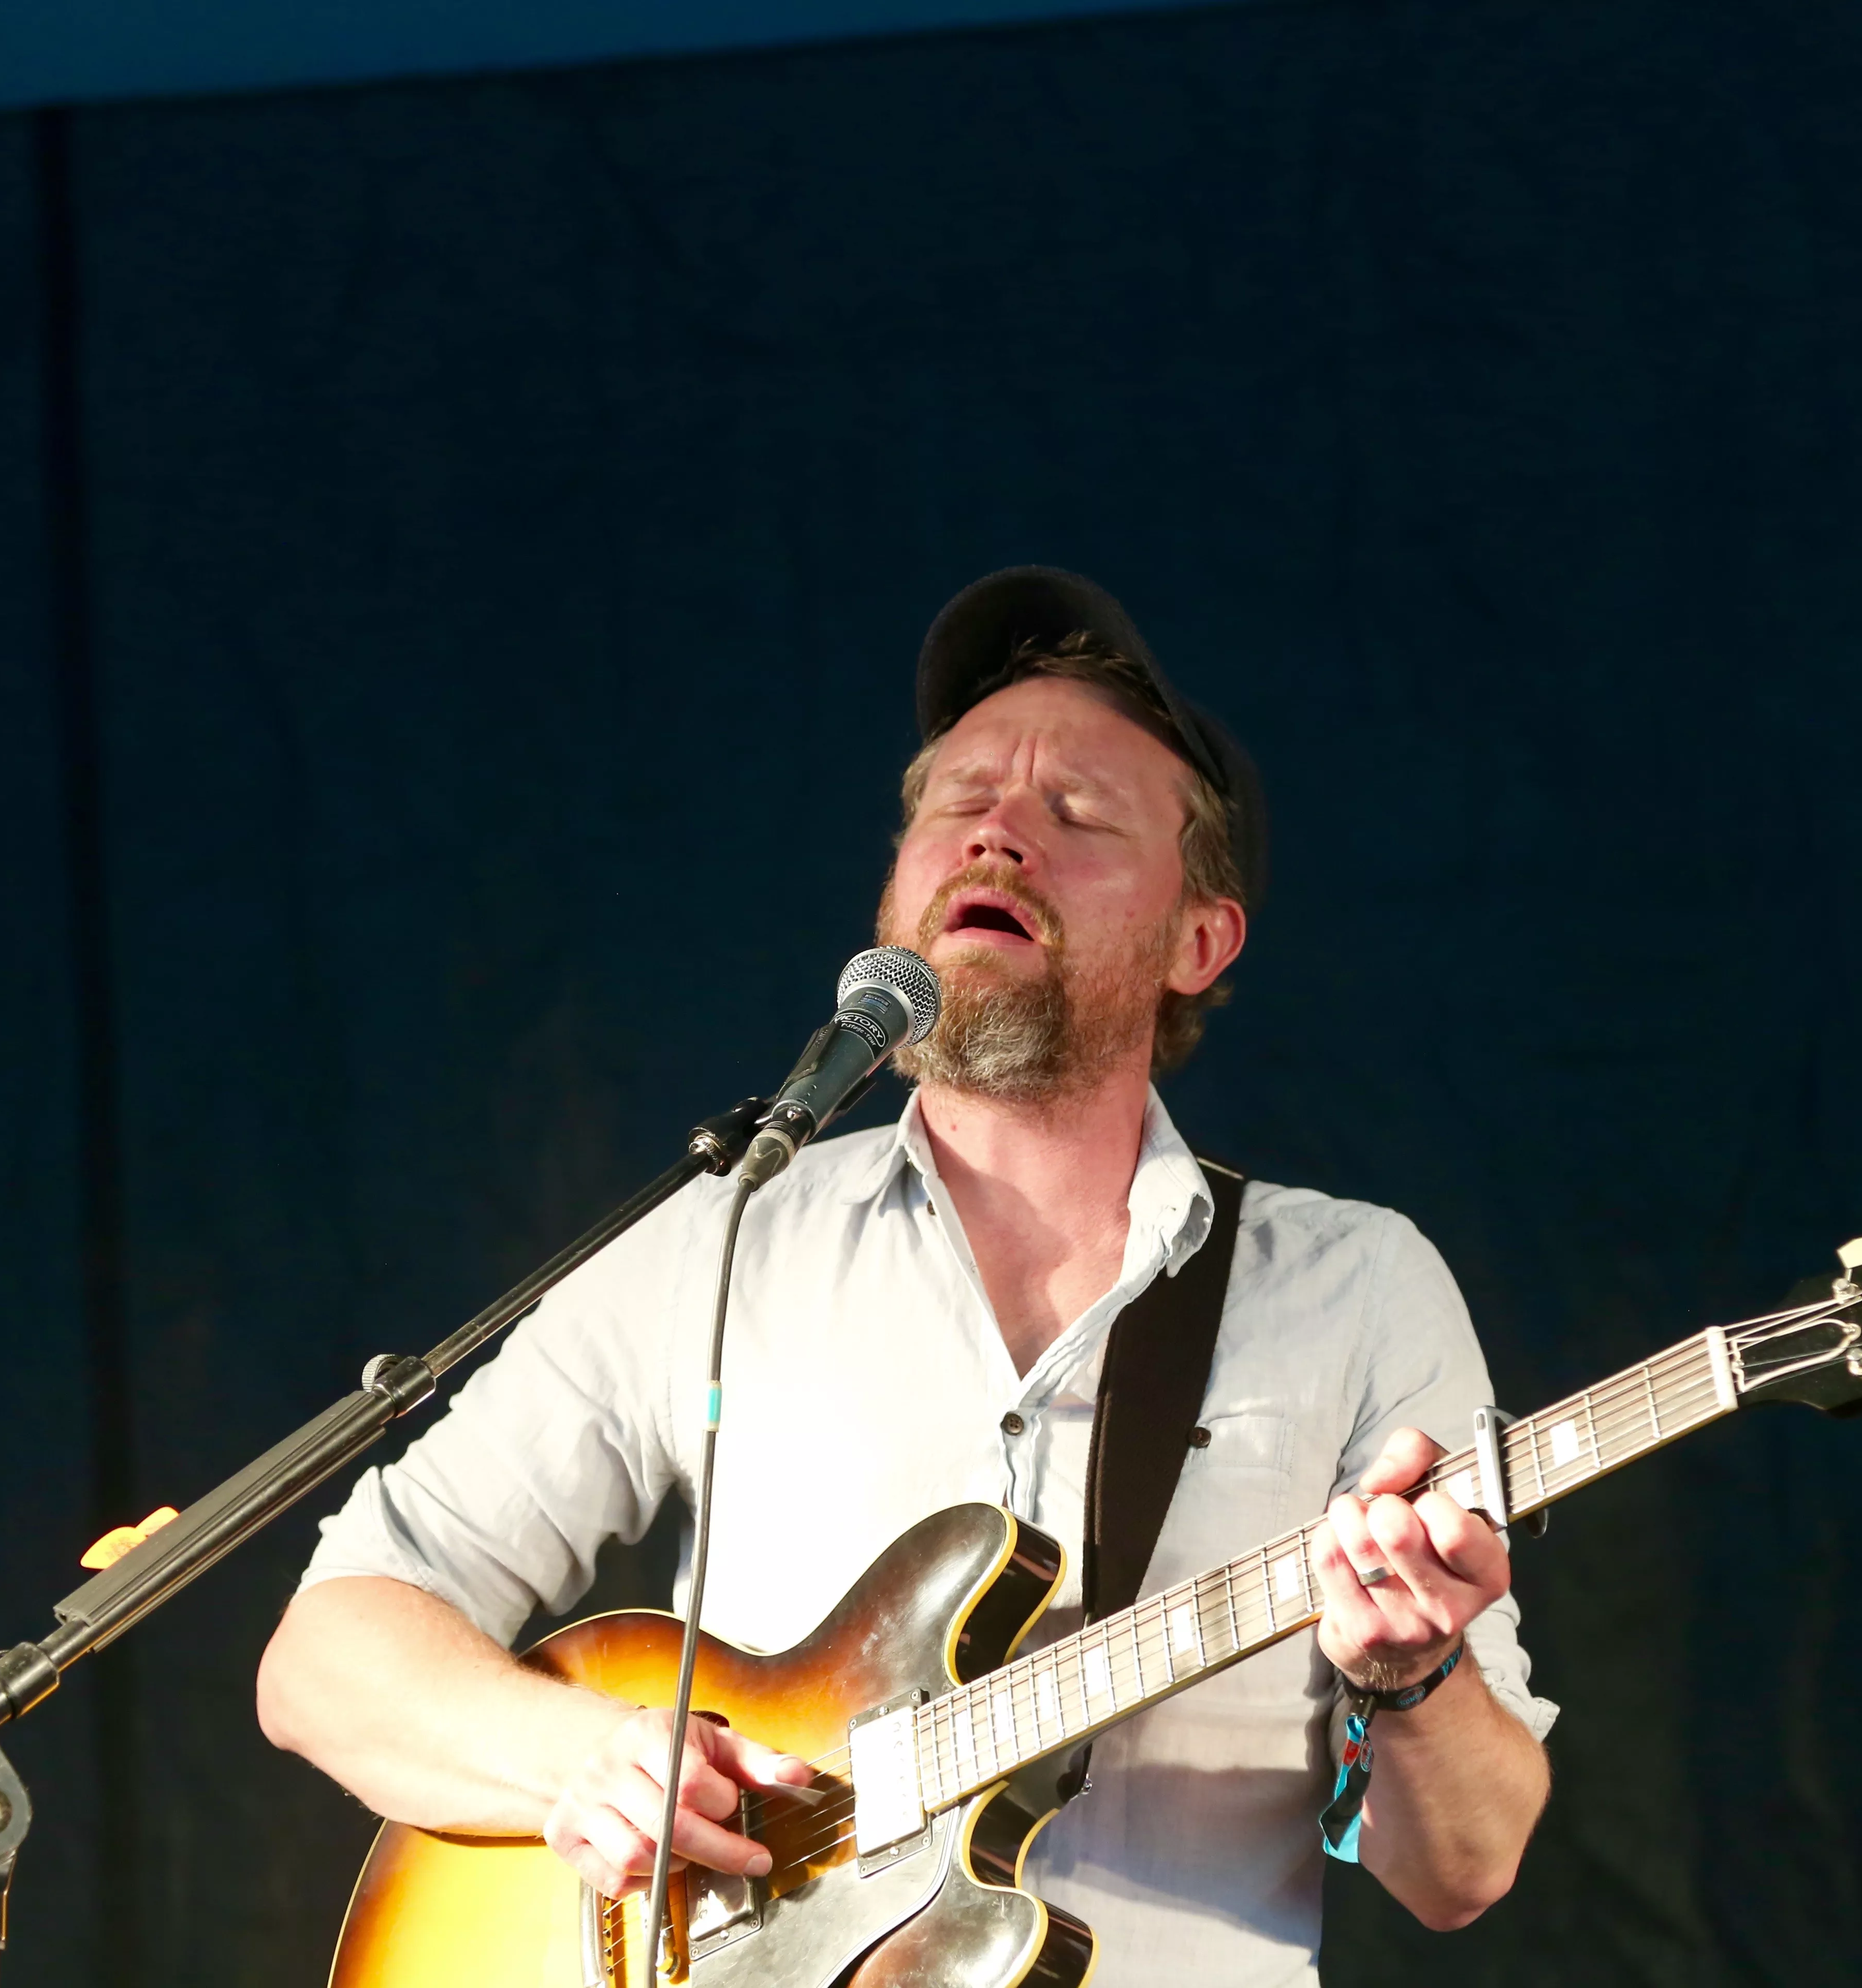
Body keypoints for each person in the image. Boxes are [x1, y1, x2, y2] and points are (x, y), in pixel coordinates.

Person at [256, 567, 1554, 1983]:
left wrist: (1412, 1675)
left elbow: (1467, 1869)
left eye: (1079, 813)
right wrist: (586, 1759)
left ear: (1198, 940)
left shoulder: (1357, 1288)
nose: (999, 832)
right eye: (960, 799)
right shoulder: (723, 1236)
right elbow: (327, 1653)